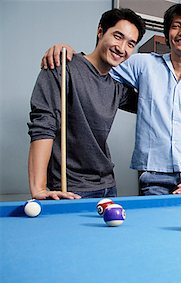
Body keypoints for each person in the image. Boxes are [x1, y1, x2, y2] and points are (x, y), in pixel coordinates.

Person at [42, 4, 181, 196]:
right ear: (167, 35)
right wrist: (69, 54)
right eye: (176, 26)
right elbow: (99, 63)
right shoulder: (143, 64)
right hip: (154, 177)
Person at [28, 8, 146, 200]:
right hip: (70, 188)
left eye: (130, 44)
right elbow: (43, 125)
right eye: (118, 36)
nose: (122, 48)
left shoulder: (117, 87)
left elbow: (155, 103)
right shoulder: (63, 66)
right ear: (100, 31)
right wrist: (39, 188)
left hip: (108, 186)